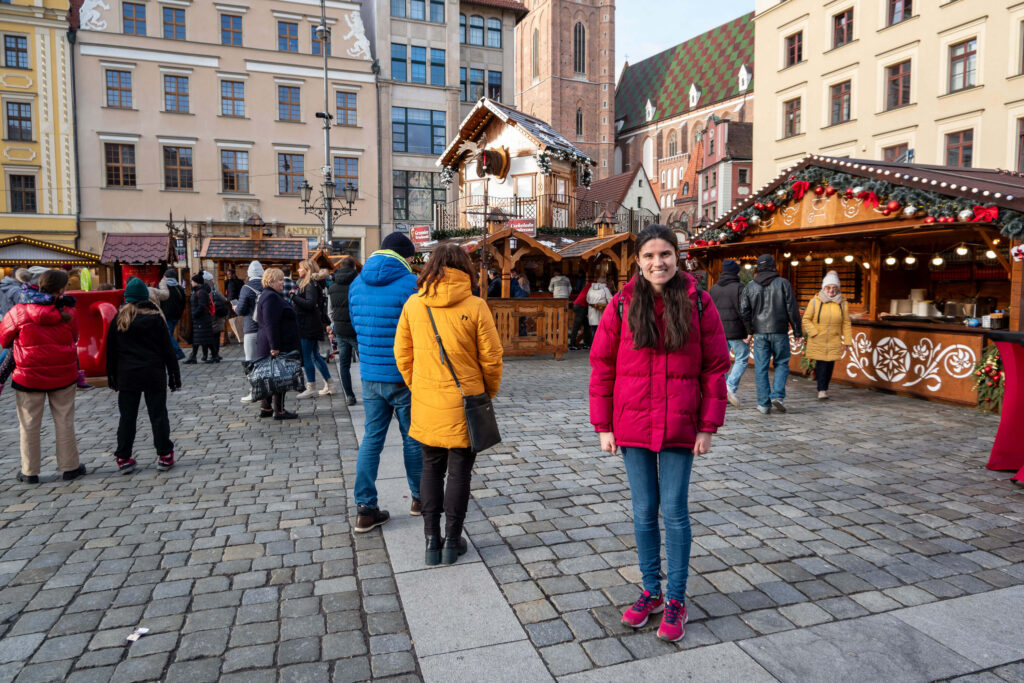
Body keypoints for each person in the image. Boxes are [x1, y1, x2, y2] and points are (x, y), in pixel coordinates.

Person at [590, 225, 729, 642]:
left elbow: (715, 366)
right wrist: (603, 425)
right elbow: (602, 367)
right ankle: (651, 590)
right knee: (644, 509)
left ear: (677, 255)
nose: (658, 263)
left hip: (680, 424)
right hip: (631, 423)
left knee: (675, 510)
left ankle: (677, 598)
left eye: (665, 254)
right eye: (649, 256)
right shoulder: (620, 305)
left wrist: (708, 426)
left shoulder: (700, 303)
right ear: (638, 261)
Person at [395, 244, 503, 565]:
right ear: (464, 268)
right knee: (459, 474)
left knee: (430, 469)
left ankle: (431, 541)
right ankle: (452, 541)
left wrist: (419, 387)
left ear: (430, 267)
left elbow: (402, 353)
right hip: (465, 402)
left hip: (427, 401)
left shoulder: (414, 305)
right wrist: (485, 393)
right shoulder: (476, 305)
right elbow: (492, 359)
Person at [348, 232, 423, 533]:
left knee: (372, 439)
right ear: (405, 257)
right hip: (404, 375)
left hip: (370, 374)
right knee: (412, 438)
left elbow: (355, 326)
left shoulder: (356, 284)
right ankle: (419, 499)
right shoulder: (411, 285)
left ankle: (365, 508)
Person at [0, 269, 87, 484]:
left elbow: (4, 340)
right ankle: (70, 467)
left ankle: (29, 472)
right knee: (65, 421)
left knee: (28, 425)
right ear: (60, 289)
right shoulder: (68, 310)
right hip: (63, 374)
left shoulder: (19, 310)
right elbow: (75, 337)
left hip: (28, 376)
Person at [106, 278, 182, 474]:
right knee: (158, 415)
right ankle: (164, 454)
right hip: (152, 373)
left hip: (127, 375)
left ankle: (123, 457)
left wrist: (112, 376)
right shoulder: (155, 319)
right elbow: (168, 351)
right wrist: (174, 375)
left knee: (127, 418)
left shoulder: (119, 319)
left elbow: (111, 351)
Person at [739, 254, 802, 415]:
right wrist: (797, 331)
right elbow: (792, 309)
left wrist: (749, 330)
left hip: (760, 333)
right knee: (781, 363)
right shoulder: (783, 283)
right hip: (780, 331)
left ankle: (763, 404)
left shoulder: (750, 286)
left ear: (758, 268)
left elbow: (744, 311)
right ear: (774, 266)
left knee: (761, 368)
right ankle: (778, 396)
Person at [255, 268, 300, 420]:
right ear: (272, 281)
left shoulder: (269, 295)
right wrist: (274, 346)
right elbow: (271, 323)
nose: (283, 282)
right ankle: (279, 411)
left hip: (271, 341)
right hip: (275, 343)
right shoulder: (271, 297)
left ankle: (266, 408)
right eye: (280, 280)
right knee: (279, 376)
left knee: (269, 375)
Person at [803, 270, 852, 400]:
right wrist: (814, 332)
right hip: (818, 338)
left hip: (834, 338)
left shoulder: (843, 303)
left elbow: (846, 322)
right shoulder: (815, 301)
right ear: (824, 287)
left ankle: (824, 388)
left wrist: (847, 341)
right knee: (822, 364)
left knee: (830, 365)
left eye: (834, 288)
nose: (831, 290)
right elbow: (806, 319)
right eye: (828, 287)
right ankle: (822, 390)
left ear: (838, 288)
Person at [292, 258, 334, 398]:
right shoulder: (312, 283)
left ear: (307, 269)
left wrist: (293, 297)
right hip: (310, 323)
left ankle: (311, 387)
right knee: (314, 355)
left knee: (308, 355)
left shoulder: (309, 284)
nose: (298, 270)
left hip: (308, 324)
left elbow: (310, 303)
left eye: (300, 268)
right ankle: (330, 383)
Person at [709, 259, 749, 407]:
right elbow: (744, 311)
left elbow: (710, 311)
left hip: (718, 331)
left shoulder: (714, 288)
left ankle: (723, 390)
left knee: (722, 362)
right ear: (736, 272)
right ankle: (730, 387)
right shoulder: (740, 288)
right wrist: (749, 331)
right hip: (737, 331)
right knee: (742, 358)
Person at [327, 256, 360, 406]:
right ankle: (369, 393)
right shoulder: (358, 283)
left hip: (340, 330)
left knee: (344, 365)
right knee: (364, 363)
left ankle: (350, 396)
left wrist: (333, 324)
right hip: (356, 329)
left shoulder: (332, 286)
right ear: (354, 268)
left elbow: (330, 310)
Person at [234, 260, 264, 403]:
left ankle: (254, 390)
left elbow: (240, 310)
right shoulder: (267, 286)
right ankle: (266, 388)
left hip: (251, 328)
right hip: (266, 329)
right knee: (265, 360)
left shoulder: (246, 288)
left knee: (250, 361)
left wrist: (235, 308)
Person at [185, 273, 217, 364]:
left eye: (192, 281)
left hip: (202, 319)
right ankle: (194, 356)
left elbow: (202, 305)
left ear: (197, 282)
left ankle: (213, 355)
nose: (191, 282)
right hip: (199, 319)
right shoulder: (198, 291)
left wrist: (195, 314)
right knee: (201, 338)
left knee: (203, 338)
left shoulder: (201, 292)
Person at [159, 269, 187, 360]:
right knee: (169, 333)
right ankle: (169, 353)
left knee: (168, 334)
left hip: (166, 315)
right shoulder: (179, 288)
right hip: (176, 315)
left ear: (166, 277)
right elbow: (183, 302)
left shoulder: (163, 287)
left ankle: (178, 352)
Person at [569, 278, 593, 350]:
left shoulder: (590, 285)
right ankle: (572, 344)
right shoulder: (593, 286)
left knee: (586, 325)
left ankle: (586, 343)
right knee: (576, 326)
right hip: (581, 306)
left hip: (579, 305)